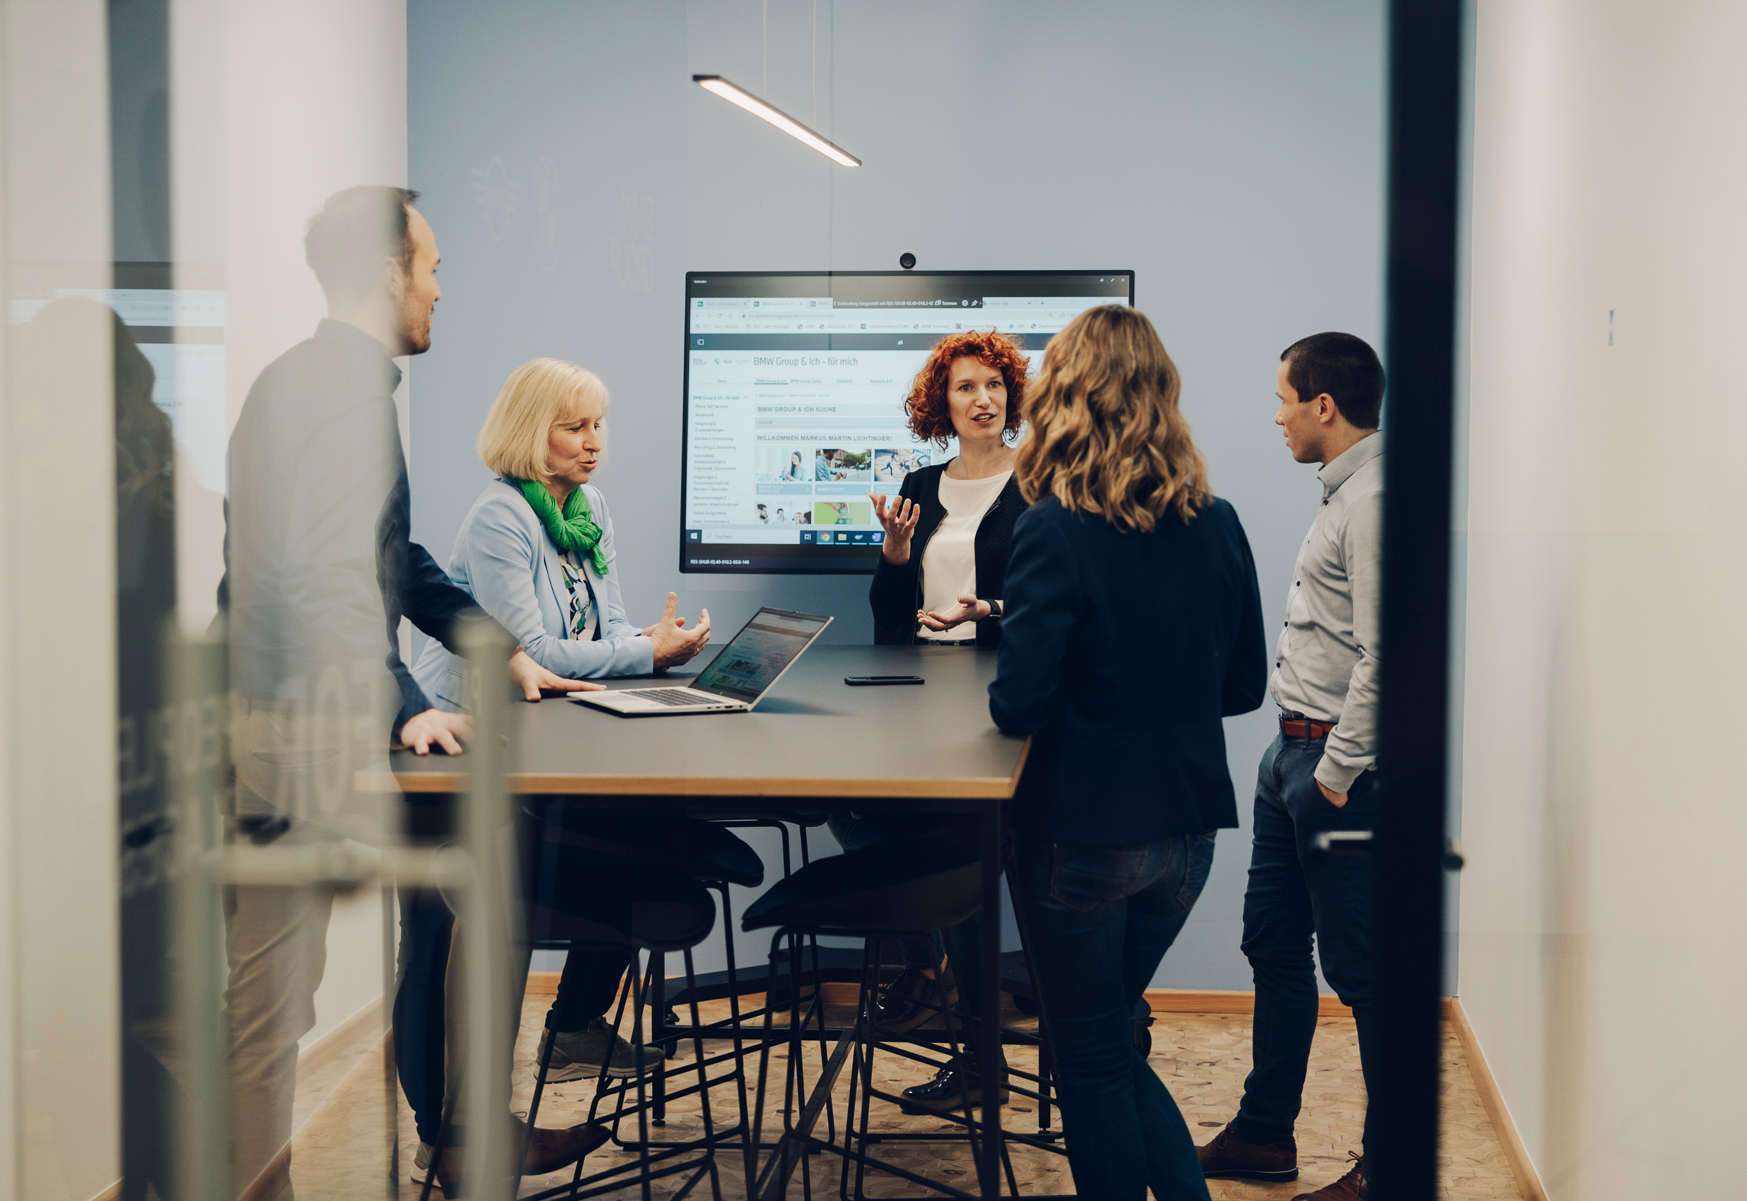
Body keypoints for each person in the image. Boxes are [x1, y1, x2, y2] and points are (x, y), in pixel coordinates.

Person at [220, 185, 596, 1197]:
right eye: (431, 268)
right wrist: (404, 700)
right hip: (288, 719)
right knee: (268, 1010)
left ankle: (464, 1132)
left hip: (281, 707)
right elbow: (324, 575)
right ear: (388, 272)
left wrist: (491, 644)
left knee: (278, 1001)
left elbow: (389, 554)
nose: (438, 289)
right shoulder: (338, 390)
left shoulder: (311, 379)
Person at [989, 305, 1267, 1201]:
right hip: (1186, 836)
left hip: (1081, 834)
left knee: (1092, 1057)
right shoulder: (1216, 521)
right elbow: (1241, 688)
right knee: (1106, 1034)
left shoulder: (1052, 526)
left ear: (1061, 396)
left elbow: (1017, 702)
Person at [1197, 332, 1385, 1201]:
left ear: (1322, 404)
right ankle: (1266, 1134)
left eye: (1282, 398)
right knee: (1272, 945)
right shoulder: (1341, 493)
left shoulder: (1374, 499)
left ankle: (1388, 1166)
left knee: (1361, 969)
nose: (1273, 415)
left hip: (1332, 768)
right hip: (1291, 752)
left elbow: (1392, 658)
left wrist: (1336, 773)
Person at [840, 328, 1030, 1113]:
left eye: (993, 384)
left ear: (1010, 395)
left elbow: (1055, 609)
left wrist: (986, 615)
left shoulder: (1042, 483)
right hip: (922, 699)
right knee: (857, 813)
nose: (981, 398)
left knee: (974, 865)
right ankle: (924, 962)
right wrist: (892, 557)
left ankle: (978, 1048)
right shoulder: (921, 482)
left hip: (1003, 705)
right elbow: (890, 622)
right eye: (964, 387)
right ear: (940, 403)